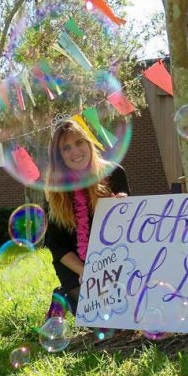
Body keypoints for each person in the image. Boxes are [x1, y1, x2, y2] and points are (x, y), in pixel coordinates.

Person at [44, 118, 130, 320]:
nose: (75, 151)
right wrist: (87, 270)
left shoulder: (114, 173)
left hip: (113, 259)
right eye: (66, 148)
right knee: (101, 323)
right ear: (60, 157)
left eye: (79, 142)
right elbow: (56, 244)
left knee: (121, 318)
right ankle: (63, 296)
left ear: (89, 142)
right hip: (75, 266)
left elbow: (129, 229)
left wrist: (123, 207)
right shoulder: (58, 190)